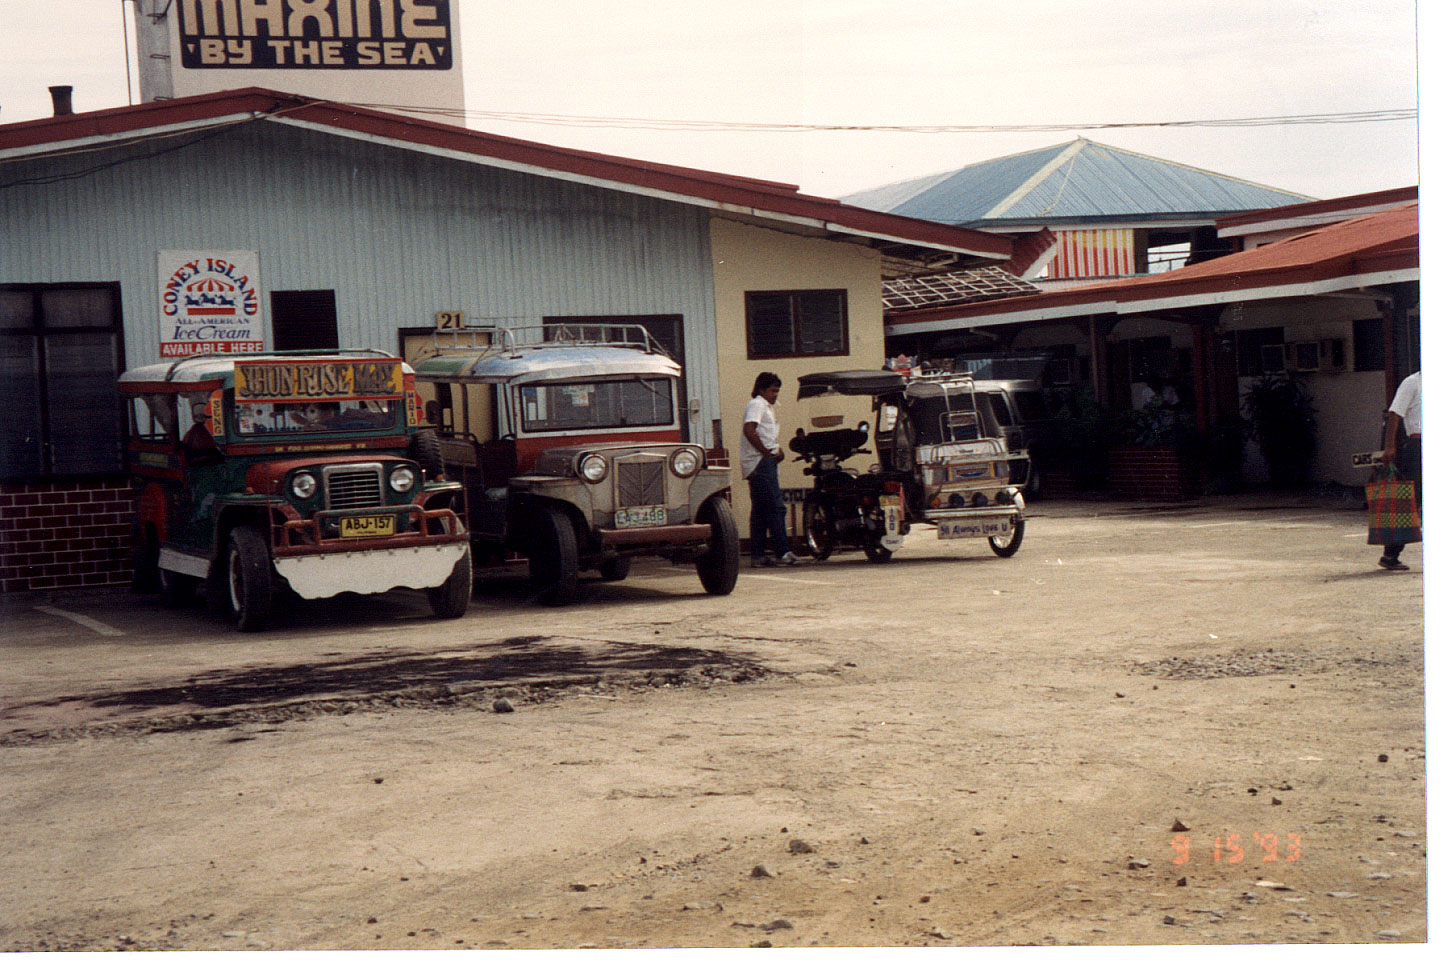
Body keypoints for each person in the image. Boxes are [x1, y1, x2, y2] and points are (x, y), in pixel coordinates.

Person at [741, 372, 799, 567]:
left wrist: (776, 451)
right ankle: (782, 552)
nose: (776, 395)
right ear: (762, 390)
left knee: (760, 511)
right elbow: (749, 430)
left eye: (777, 391)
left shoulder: (765, 406)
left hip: (758, 462)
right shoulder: (757, 404)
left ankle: (757, 555)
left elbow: (765, 434)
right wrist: (766, 453)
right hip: (760, 463)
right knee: (776, 508)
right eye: (773, 391)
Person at [1378, 370, 1422, 571]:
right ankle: (1391, 554)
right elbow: (1395, 414)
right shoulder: (1412, 382)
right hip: (1418, 444)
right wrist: (1390, 446)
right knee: (1411, 500)